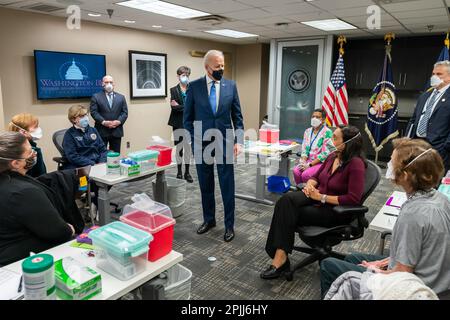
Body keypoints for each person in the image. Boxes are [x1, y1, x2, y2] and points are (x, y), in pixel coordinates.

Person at [320, 138, 450, 298]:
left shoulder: (413, 214)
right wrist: (381, 263)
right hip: (437, 282)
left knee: (328, 265)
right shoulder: (440, 198)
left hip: (415, 289)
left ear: (405, 175)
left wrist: (374, 270)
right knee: (353, 257)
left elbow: (402, 275)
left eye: (392, 162)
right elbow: (417, 251)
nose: (389, 165)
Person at [260, 125, 366, 279]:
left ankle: (279, 258)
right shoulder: (332, 156)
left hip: (334, 210)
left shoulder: (356, 164)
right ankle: (280, 255)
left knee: (289, 211)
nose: (331, 140)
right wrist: (310, 185)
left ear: (347, 143)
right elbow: (316, 176)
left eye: (335, 138)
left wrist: (321, 197)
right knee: (285, 201)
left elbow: (353, 199)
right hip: (316, 197)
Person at [184, 50, 244, 242]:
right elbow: (187, 120)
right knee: (205, 185)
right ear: (207, 67)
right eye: (217, 66)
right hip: (202, 144)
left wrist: (239, 140)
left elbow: (238, 117)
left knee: (227, 185)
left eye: (223, 65)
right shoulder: (194, 87)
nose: (221, 69)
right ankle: (209, 220)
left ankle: (229, 225)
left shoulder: (231, 86)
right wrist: (193, 140)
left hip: (225, 142)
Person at [0, 132, 75, 266]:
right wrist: (70, 229)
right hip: (24, 262)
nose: (34, 154)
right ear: (16, 163)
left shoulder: (9, 181)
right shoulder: (23, 192)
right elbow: (58, 232)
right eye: (29, 152)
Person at [406, 60, 450, 171]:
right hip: (416, 145)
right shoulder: (425, 95)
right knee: (416, 179)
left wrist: (444, 147)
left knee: (432, 182)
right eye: (433, 74)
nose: (434, 77)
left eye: (439, 74)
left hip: (438, 149)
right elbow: (414, 119)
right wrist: (407, 140)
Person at [293, 109, 334, 185]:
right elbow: (305, 148)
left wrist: (310, 165)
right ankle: (300, 190)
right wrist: (303, 161)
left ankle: (309, 192)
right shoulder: (307, 131)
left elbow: (327, 152)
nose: (314, 119)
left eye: (317, 117)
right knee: (296, 171)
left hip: (320, 162)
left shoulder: (328, 132)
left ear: (323, 120)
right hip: (308, 160)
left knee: (306, 175)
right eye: (313, 116)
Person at [90, 75, 128, 153]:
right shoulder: (96, 97)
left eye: (111, 82)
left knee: (116, 155)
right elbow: (94, 112)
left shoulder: (121, 97)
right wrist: (104, 122)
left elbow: (124, 112)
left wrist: (119, 121)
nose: (109, 84)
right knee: (101, 155)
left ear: (114, 84)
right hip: (101, 130)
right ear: (102, 84)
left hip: (116, 131)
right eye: (106, 82)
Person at [168, 66, 193, 183]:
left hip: (190, 123)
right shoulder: (173, 90)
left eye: (187, 75)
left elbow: (195, 107)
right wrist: (187, 107)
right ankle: (179, 171)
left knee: (188, 149)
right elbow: (174, 108)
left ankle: (187, 172)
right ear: (178, 76)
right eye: (183, 75)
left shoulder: (193, 89)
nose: (185, 77)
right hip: (177, 122)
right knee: (179, 148)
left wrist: (181, 106)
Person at [8, 113, 46, 177]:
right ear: (22, 131)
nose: (38, 129)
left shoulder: (8, 147)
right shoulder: (34, 152)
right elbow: (41, 175)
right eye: (35, 127)